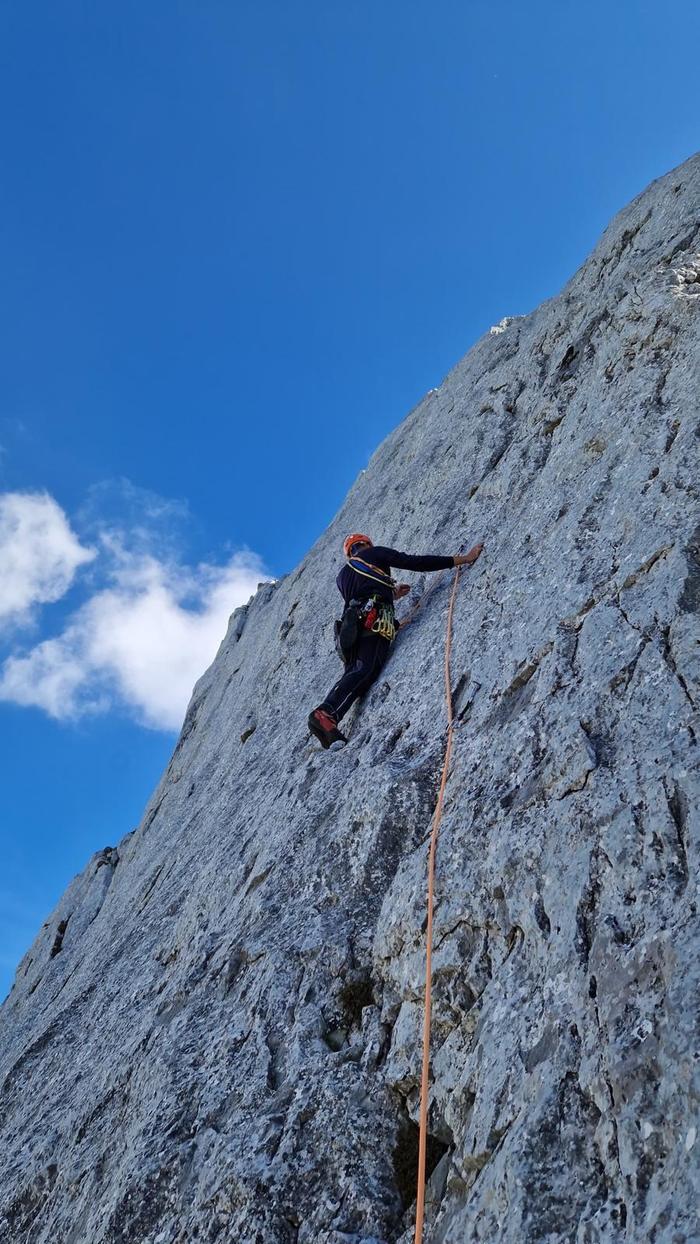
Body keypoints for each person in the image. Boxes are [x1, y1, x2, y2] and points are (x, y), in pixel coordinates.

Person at [308, 533, 484, 748]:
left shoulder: (342, 576)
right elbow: (414, 562)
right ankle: (324, 713)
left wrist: (391, 594)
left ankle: (330, 723)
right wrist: (464, 559)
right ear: (366, 545)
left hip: (351, 628)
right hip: (371, 624)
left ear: (349, 552)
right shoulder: (375, 553)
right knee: (363, 671)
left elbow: (362, 593)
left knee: (358, 673)